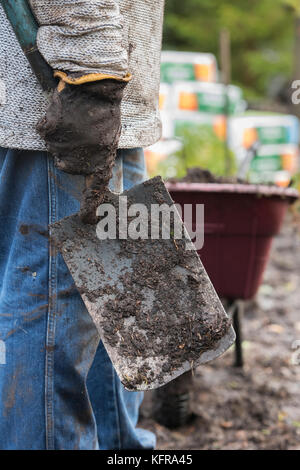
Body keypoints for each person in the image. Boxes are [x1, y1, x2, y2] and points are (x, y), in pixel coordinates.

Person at [0, 0, 165, 450]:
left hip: (115, 101)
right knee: (56, 309)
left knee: (124, 296)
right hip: (70, 95)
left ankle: (122, 448)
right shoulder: (87, 73)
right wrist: (90, 72)